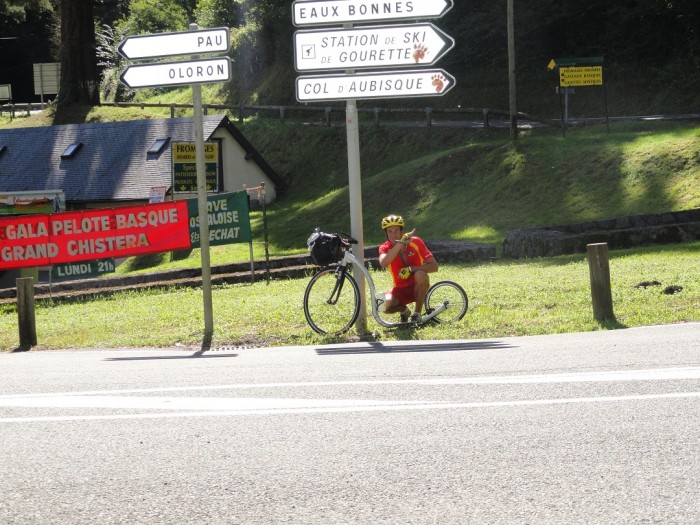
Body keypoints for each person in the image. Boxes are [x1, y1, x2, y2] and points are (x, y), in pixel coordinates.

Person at [378, 214, 438, 323]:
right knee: (383, 306)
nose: (393, 234)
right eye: (390, 231)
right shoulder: (385, 247)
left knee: (420, 274)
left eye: (396, 230)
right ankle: (405, 311)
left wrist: (411, 269)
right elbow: (383, 262)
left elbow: (434, 267)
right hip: (400, 290)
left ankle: (417, 314)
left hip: (418, 287)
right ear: (386, 233)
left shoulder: (415, 242)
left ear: (401, 231)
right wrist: (401, 243)